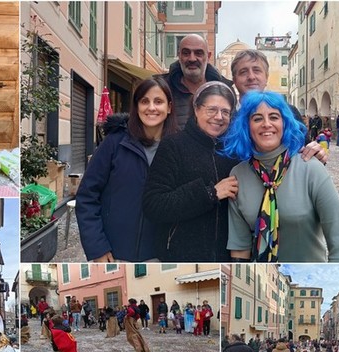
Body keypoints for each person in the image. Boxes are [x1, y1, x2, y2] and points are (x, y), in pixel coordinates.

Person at [223, 91, 339, 262]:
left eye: (274, 117)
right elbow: (240, 247)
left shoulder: (311, 169)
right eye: (257, 118)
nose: (266, 124)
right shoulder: (238, 175)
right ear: (246, 127)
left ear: (285, 123)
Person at [76, 77, 179, 262]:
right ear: (136, 106)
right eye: (144, 101)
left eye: (158, 101)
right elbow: (87, 196)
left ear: (169, 107)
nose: (151, 108)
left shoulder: (178, 148)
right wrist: (97, 247)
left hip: (159, 256)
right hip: (114, 255)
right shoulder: (115, 142)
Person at [143, 81, 239, 261]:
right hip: (181, 256)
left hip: (226, 258)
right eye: (212, 109)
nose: (219, 117)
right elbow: (153, 205)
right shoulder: (173, 145)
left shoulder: (234, 152)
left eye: (225, 112)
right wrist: (210, 193)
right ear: (196, 109)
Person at [159, 34, 233, 128]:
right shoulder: (162, 88)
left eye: (198, 53)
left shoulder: (225, 91)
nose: (192, 59)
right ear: (179, 56)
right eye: (186, 53)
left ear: (208, 56)